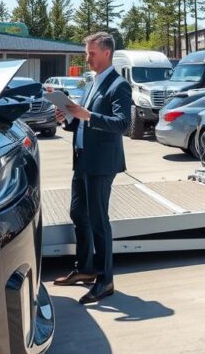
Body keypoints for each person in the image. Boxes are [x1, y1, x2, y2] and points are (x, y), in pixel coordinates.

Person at [52, 32, 131, 304]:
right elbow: (81, 122)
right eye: (87, 53)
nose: (87, 58)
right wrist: (66, 118)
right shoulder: (93, 82)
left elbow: (122, 123)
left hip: (101, 163)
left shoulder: (118, 85)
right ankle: (85, 269)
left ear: (106, 53)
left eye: (91, 53)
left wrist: (87, 115)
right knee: (78, 213)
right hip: (83, 159)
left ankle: (105, 280)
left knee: (99, 221)